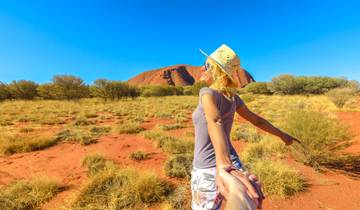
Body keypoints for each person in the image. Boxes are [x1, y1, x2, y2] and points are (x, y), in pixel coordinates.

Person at [191, 44, 300, 210]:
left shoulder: (206, 92)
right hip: (235, 164)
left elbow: (215, 120)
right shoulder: (234, 99)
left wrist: (222, 164)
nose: (201, 69)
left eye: (206, 65)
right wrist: (282, 135)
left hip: (209, 168)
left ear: (216, 70)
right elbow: (257, 121)